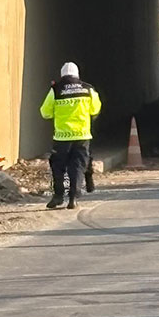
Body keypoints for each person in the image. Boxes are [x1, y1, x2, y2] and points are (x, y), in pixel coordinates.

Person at [39, 62, 101, 210]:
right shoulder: (88, 89)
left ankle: (59, 196)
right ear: (77, 75)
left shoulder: (56, 90)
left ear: (62, 75)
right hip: (82, 135)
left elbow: (45, 112)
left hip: (62, 137)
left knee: (58, 167)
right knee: (78, 166)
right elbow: (95, 109)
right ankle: (73, 198)